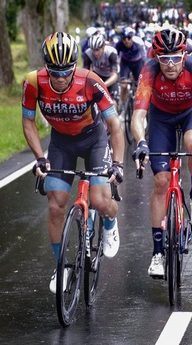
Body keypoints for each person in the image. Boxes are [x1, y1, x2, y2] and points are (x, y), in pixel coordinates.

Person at [21, 32, 125, 293]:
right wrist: (40, 158)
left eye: (65, 71)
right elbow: (28, 121)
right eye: (54, 71)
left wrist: (118, 163)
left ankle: (111, 223)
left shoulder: (90, 81)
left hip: (94, 140)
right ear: (46, 66)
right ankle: (61, 268)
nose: (59, 77)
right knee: (55, 207)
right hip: (61, 143)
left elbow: (114, 123)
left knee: (101, 201)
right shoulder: (33, 82)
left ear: (74, 65)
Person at [131, 28, 192, 277]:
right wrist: (140, 142)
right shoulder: (149, 70)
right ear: (156, 57)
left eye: (175, 57)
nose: (170, 64)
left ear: (184, 54)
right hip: (161, 118)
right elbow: (138, 115)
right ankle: (158, 252)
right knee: (161, 181)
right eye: (164, 58)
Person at [83, 33, 120, 108]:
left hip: (110, 78)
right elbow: (85, 74)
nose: (95, 53)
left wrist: (103, 85)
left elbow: (114, 75)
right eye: (93, 50)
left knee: (113, 103)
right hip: (98, 76)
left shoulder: (111, 52)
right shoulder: (88, 53)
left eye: (97, 50)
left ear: (103, 47)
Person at [115, 26, 147, 106]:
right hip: (125, 63)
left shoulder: (138, 42)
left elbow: (144, 58)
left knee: (138, 87)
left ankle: (138, 105)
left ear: (132, 37)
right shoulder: (119, 44)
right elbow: (115, 58)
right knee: (123, 85)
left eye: (129, 38)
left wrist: (145, 71)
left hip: (137, 63)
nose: (126, 41)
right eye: (124, 38)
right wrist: (116, 70)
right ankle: (122, 105)